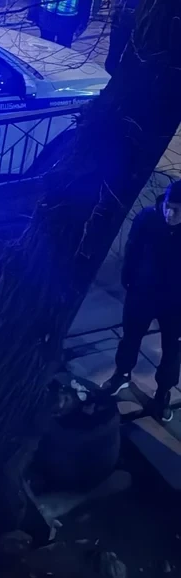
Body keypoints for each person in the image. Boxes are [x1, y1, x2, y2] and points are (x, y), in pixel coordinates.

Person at [103, 180, 181, 422]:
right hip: (143, 294)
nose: (171, 214)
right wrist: (129, 280)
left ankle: (163, 392)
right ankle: (122, 374)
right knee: (130, 337)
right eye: (169, 206)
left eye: (178, 210)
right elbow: (132, 249)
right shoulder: (147, 218)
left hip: (176, 303)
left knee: (172, 349)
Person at [104, 0, 146, 75]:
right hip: (122, 17)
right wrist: (114, 11)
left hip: (135, 19)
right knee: (115, 49)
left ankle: (121, 72)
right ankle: (110, 71)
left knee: (130, 51)